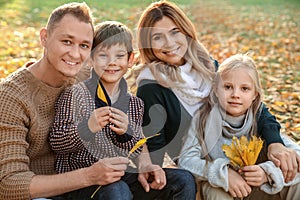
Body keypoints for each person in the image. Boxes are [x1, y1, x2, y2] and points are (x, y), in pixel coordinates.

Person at [129, 0, 300, 182]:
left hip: (242, 145)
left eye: (175, 32)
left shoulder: (206, 66)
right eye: (158, 37)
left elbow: (253, 106)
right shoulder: (151, 86)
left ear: (186, 33)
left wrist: (275, 142)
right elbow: (156, 151)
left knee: (293, 159)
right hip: (206, 167)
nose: (169, 43)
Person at [49, 20, 196, 200]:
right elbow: (56, 141)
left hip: (121, 176)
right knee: (118, 190)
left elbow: (136, 149)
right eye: (103, 55)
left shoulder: (135, 104)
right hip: (82, 181)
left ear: (130, 60)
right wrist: (87, 127)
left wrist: (129, 134)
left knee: (183, 180)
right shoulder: (75, 95)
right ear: (91, 59)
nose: (112, 63)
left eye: (119, 56)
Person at [0, 3, 129, 199]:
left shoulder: (87, 77)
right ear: (44, 37)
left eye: (84, 45)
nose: (76, 54)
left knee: (179, 180)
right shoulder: (11, 97)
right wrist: (89, 176)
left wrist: (145, 163)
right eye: (67, 41)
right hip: (39, 194)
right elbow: (9, 183)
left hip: (85, 184)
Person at [178, 54, 300, 199]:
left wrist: (267, 173)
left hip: (260, 188)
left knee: (294, 178)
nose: (235, 94)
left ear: (255, 94)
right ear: (216, 90)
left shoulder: (260, 119)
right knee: (213, 190)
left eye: (244, 89)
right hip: (224, 188)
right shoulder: (202, 120)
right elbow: (186, 160)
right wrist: (223, 174)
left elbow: (295, 154)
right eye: (228, 87)